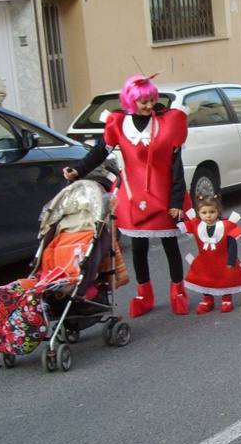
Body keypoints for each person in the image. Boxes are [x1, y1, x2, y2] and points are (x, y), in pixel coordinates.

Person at [64, 74, 190, 317]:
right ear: (132, 101)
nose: (149, 105)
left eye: (152, 100)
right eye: (143, 101)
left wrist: (176, 200)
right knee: (139, 247)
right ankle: (144, 295)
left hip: (163, 194)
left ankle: (178, 291)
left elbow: (176, 165)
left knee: (170, 244)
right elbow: (99, 152)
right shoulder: (118, 123)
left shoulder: (168, 122)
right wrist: (78, 170)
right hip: (133, 196)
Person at [177, 194, 241, 314]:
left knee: (226, 278)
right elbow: (182, 225)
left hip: (223, 260)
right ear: (198, 213)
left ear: (218, 211)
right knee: (204, 278)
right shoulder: (196, 225)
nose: (208, 215)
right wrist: (178, 215)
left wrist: (231, 260)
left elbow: (232, 244)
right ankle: (207, 299)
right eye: (204, 213)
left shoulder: (226, 226)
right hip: (204, 261)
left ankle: (226, 299)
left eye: (212, 212)